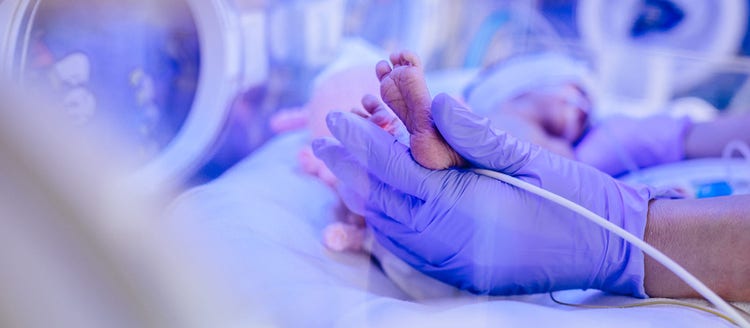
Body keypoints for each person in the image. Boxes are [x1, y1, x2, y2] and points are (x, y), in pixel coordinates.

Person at [312, 50, 750, 301]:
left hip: (517, 199)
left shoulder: (599, 142)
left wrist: (664, 140)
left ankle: (418, 146)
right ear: (519, 88)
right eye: (571, 91)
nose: (581, 108)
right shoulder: (502, 112)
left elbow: (679, 140)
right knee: (467, 154)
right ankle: (415, 141)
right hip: (488, 143)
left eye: (587, 109)